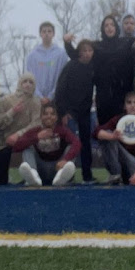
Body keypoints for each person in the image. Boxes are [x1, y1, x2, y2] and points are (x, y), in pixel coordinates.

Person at [64, 15, 135, 124]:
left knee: (123, 129)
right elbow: (78, 56)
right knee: (105, 130)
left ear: (116, 27)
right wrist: (67, 43)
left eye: (112, 24)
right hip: (103, 96)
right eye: (106, 25)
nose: (109, 27)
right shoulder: (96, 46)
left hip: (122, 94)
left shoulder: (126, 43)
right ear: (102, 29)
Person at [94, 91, 135, 185]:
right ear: (124, 106)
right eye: (129, 102)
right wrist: (112, 136)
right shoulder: (119, 120)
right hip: (121, 162)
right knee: (107, 135)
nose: (132, 105)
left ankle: (131, 177)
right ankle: (115, 175)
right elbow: (96, 132)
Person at [55, 39, 96, 184]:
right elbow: (60, 89)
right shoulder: (71, 66)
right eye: (84, 50)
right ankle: (67, 176)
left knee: (86, 143)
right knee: (70, 143)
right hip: (70, 112)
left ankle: (87, 175)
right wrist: (63, 112)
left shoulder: (93, 67)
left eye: (90, 50)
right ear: (79, 52)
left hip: (85, 112)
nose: (87, 53)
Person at [0, 73, 42, 185]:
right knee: (1, 181)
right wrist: (12, 112)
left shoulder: (36, 103)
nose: (28, 85)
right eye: (25, 82)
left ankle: (32, 176)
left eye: (31, 82)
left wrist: (18, 135)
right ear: (20, 83)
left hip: (26, 141)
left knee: (31, 150)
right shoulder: (6, 100)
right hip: (4, 142)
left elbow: (36, 124)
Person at [14, 104, 81, 187]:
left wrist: (65, 159)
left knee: (70, 146)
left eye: (52, 114)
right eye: (45, 114)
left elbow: (77, 143)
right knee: (27, 147)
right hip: (40, 169)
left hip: (57, 167)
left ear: (56, 118)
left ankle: (61, 177)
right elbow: (16, 146)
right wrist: (37, 137)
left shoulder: (62, 130)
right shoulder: (35, 131)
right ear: (41, 117)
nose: (49, 116)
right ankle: (33, 175)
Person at [25, 21, 68, 107]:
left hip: (56, 99)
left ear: (53, 34)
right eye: (44, 31)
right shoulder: (32, 56)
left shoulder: (61, 54)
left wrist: (51, 96)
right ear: (40, 34)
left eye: (49, 31)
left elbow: (63, 77)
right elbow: (29, 77)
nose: (46, 34)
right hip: (36, 100)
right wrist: (39, 96)